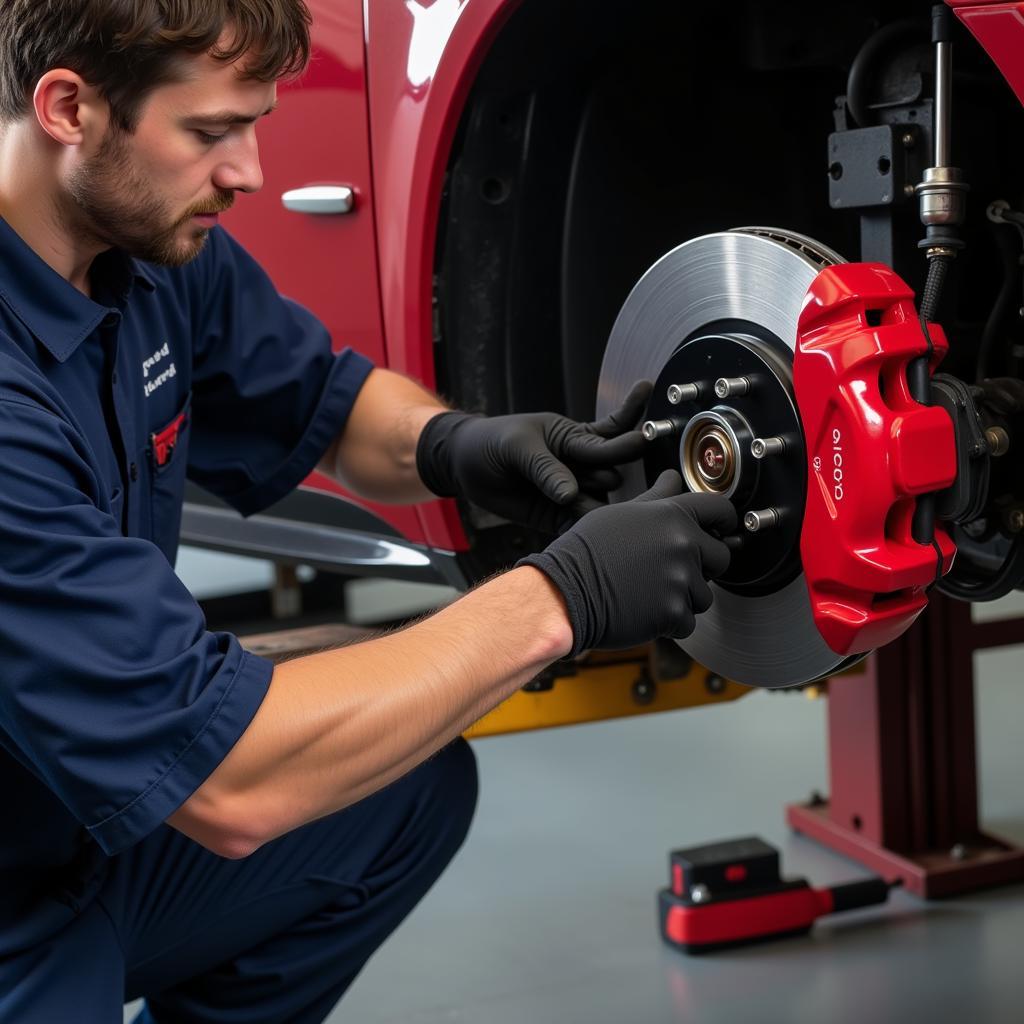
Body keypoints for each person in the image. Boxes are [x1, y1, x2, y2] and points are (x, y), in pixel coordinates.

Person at [0, 2, 736, 1022]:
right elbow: (233, 786)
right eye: (211, 132)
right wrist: (563, 596)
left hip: (75, 825)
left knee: (398, 796)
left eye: (253, 125)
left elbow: (327, 404)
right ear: (68, 107)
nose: (247, 171)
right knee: (278, 773)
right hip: (12, 913)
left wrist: (460, 446)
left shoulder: (137, 241)